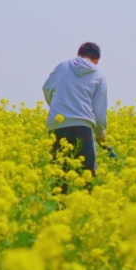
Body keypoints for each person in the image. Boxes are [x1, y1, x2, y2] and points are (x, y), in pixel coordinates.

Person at [43, 42, 108, 188]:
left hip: (57, 126)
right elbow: (99, 112)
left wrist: (56, 108)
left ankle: (58, 209)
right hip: (83, 127)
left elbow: (46, 88)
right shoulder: (99, 75)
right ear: (97, 60)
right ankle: (84, 209)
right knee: (87, 178)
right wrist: (100, 135)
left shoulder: (63, 66)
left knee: (59, 178)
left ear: (78, 54)